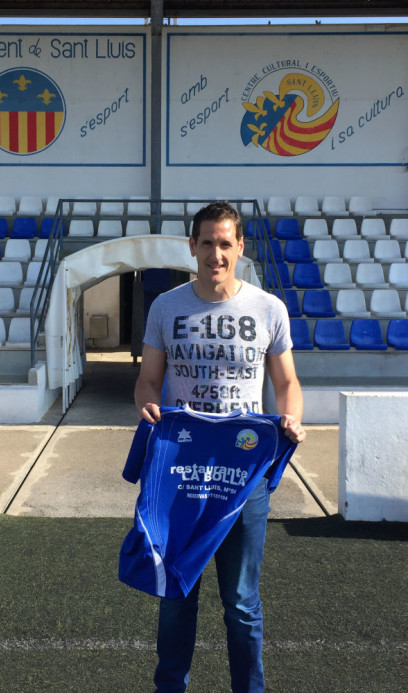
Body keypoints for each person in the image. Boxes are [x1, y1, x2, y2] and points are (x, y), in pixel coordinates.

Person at [134, 201, 306, 693]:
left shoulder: (268, 309)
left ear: (240, 248)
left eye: (225, 243)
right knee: (176, 594)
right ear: (192, 246)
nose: (215, 254)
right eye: (206, 242)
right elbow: (148, 380)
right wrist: (147, 404)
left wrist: (291, 414)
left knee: (242, 600)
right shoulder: (166, 307)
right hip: (179, 472)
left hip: (242, 473)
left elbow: (287, 381)